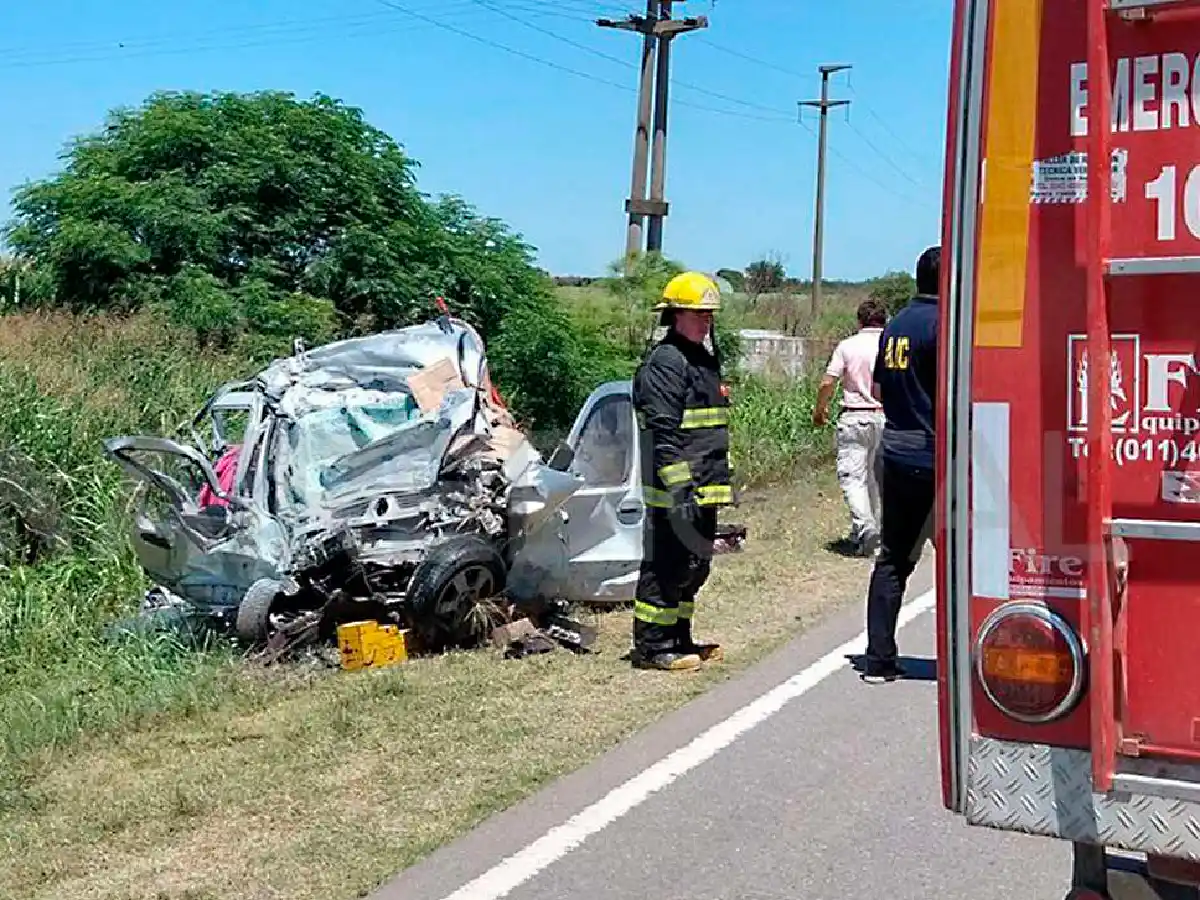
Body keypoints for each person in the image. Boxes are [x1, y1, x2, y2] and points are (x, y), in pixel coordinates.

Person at [630, 270, 734, 672]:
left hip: (704, 487)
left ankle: (680, 637)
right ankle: (653, 647)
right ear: (675, 315)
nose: (706, 321)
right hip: (675, 490)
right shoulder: (666, 362)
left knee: (694, 566)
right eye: (698, 314)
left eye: (710, 315)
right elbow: (663, 432)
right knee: (666, 565)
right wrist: (679, 488)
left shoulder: (701, 359)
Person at [861, 245, 941, 684]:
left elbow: (877, 388)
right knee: (958, 562)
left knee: (892, 558)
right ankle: (960, 659)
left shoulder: (894, 327)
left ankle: (878, 660)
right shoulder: (942, 324)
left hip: (894, 448)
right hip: (935, 455)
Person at [813, 298, 888, 557]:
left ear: (859, 321)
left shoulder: (848, 346)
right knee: (876, 480)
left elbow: (827, 382)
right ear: (884, 320)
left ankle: (865, 527)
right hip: (885, 416)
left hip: (855, 416)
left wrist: (820, 410)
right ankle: (874, 531)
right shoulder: (892, 344)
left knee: (853, 478)